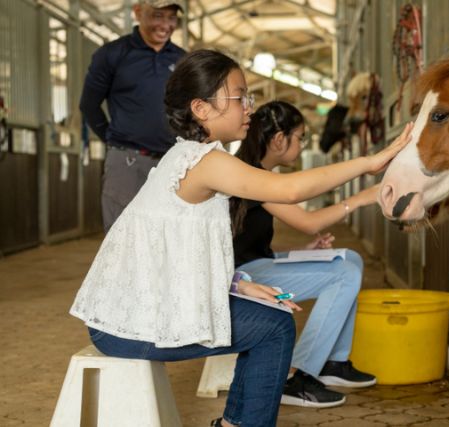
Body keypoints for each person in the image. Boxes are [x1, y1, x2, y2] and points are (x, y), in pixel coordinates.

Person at [69, 49, 413, 427]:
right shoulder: (204, 162)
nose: (249, 107)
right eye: (239, 97)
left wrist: (234, 284)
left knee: (270, 318)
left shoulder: (190, 156)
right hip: (130, 324)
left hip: (126, 314)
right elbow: (291, 190)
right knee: (275, 327)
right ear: (201, 109)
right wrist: (371, 162)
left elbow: (177, 251)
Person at [230, 101, 380, 408]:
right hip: (241, 278)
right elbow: (309, 222)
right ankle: (295, 376)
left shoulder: (255, 172)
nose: (301, 145)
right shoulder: (253, 177)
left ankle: (333, 363)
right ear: (278, 140)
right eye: (300, 137)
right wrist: (361, 199)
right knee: (344, 274)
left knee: (350, 259)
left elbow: (248, 243)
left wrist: (302, 253)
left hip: (259, 263)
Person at [79, 0, 186, 232]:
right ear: (138, 12)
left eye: (171, 18)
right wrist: (112, 139)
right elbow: (88, 104)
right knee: (122, 238)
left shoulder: (183, 60)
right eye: (158, 16)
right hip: (126, 162)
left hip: (172, 163)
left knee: (169, 237)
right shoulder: (112, 54)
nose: (165, 25)